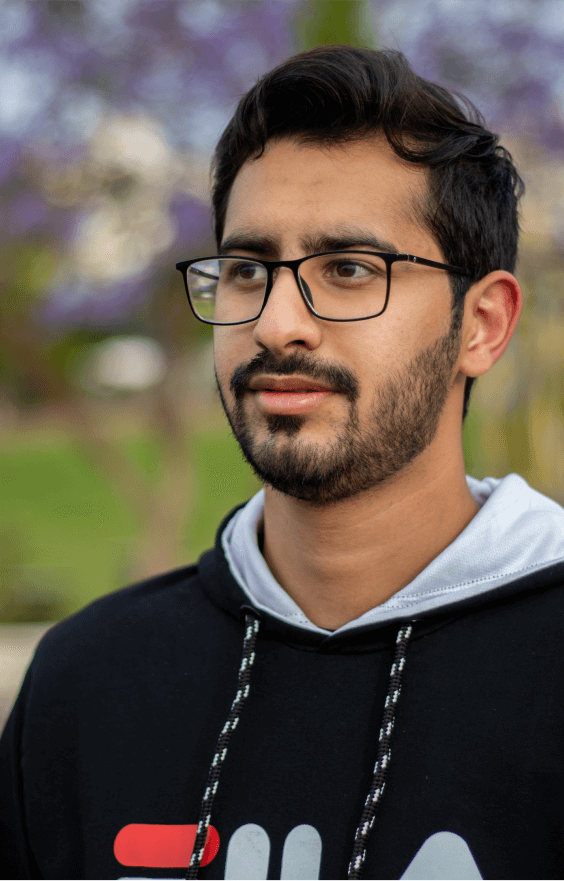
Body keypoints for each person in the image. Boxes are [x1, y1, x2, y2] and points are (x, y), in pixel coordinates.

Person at [2, 44, 564, 881]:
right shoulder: (90, 682)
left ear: (481, 324)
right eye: (246, 269)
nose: (276, 323)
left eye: (347, 269)